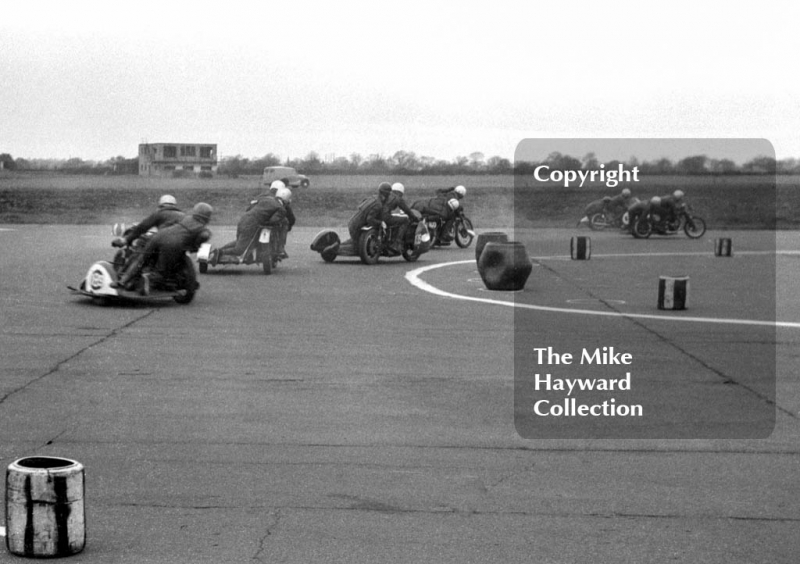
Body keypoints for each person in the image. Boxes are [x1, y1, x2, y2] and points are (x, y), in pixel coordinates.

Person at [137, 203, 214, 295]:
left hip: (163, 239)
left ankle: (143, 279)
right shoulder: (185, 217)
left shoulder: (160, 214)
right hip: (178, 243)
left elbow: (143, 226)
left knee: (143, 261)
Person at [114, 195, 186, 289]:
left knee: (140, 254)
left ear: (161, 204)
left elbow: (143, 227)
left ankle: (124, 280)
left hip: (164, 241)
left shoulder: (160, 213)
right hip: (181, 243)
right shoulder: (183, 216)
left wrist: (126, 239)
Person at [216, 186, 290, 260]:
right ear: (286, 201)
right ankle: (220, 252)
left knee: (240, 242)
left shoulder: (265, 200)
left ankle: (219, 250)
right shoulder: (281, 209)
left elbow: (249, 208)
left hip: (243, 220)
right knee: (239, 250)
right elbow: (273, 221)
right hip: (251, 225)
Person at [381, 182, 420, 252]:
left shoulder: (386, 195)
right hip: (386, 217)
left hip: (378, 216)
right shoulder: (397, 198)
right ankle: (396, 243)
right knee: (405, 220)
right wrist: (414, 217)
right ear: (401, 192)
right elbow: (406, 209)